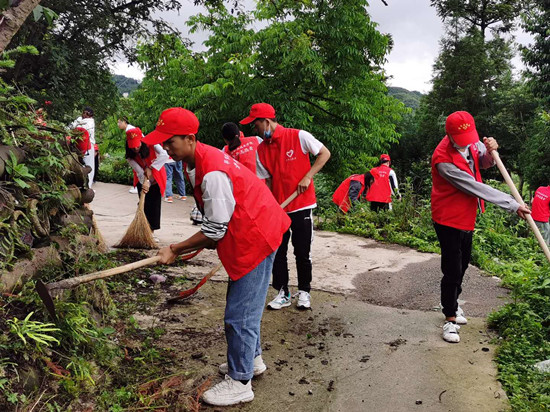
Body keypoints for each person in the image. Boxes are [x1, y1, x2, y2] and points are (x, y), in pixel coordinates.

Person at [144, 107, 291, 407]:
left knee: (239, 315)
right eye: (163, 142)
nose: (166, 147)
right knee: (245, 307)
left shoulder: (212, 171)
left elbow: (214, 231)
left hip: (256, 237)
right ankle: (252, 360)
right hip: (251, 231)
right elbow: (215, 223)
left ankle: (240, 382)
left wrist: (175, 249)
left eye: (170, 141)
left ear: (190, 138)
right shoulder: (197, 160)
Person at [431, 111, 530, 343]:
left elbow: (482, 163)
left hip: (467, 216)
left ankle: (454, 302)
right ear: (449, 135)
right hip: (447, 218)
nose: (468, 143)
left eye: (470, 138)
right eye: (461, 140)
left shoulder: (470, 140)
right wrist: (511, 204)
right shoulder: (443, 160)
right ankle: (450, 318)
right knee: (452, 269)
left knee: (464, 264)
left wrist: (490, 152)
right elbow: (475, 187)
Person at [240, 103, 331, 310]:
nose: (255, 129)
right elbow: (267, 181)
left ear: (266, 121)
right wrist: (269, 207)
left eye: (256, 125)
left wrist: (308, 176)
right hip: (279, 209)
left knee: (302, 252)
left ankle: (304, 292)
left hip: (302, 205)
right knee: (278, 253)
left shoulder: (299, 136)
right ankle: (283, 293)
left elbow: (324, 154)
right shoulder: (261, 150)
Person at [125, 126, 168, 240]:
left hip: (157, 175)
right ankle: (143, 231)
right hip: (142, 179)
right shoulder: (130, 156)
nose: (136, 149)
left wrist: (151, 168)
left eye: (137, 145)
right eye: (133, 147)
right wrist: (145, 183)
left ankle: (151, 233)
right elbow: (139, 172)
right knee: (144, 205)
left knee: (154, 205)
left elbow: (164, 155)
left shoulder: (152, 143)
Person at [71, 107, 96, 188]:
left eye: (87, 113)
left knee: (89, 165)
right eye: (84, 112)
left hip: (88, 146)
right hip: (77, 145)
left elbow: (85, 130)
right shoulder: (78, 120)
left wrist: (78, 124)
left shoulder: (90, 122)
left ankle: (89, 186)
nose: (85, 115)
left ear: (90, 115)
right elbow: (71, 127)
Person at [118, 116, 140, 194]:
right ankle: (136, 186)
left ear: (125, 122)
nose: (118, 124)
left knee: (137, 169)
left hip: (137, 151)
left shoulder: (130, 130)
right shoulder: (129, 129)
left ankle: (137, 186)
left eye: (120, 122)